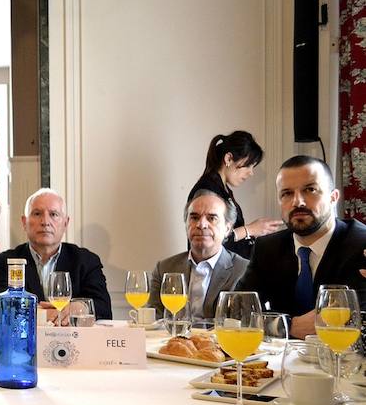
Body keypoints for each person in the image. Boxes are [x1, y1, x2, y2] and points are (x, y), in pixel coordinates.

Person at [235, 155, 366, 339]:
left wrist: (270, 325)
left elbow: (356, 321)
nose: (297, 202)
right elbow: (234, 313)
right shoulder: (268, 247)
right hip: (280, 364)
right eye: (287, 193)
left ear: (333, 197)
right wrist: (288, 326)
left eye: (310, 189)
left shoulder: (360, 244)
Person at [0, 188, 112, 319]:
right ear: (24, 223)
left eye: (53, 214)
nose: (45, 222)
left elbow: (103, 307)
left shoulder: (86, 261)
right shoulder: (6, 262)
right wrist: (44, 314)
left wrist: (79, 308)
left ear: (66, 223)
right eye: (37, 214)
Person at [148, 190, 249, 320]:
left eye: (212, 218)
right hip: (172, 339)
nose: (201, 224)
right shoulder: (165, 268)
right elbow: (153, 319)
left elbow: (243, 324)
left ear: (227, 229)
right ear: (186, 225)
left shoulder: (243, 270)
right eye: (194, 217)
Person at [188, 131, 283, 259]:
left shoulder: (222, 189)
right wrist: (250, 229)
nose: (251, 173)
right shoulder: (207, 192)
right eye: (248, 165)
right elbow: (207, 237)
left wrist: (254, 232)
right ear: (228, 159)